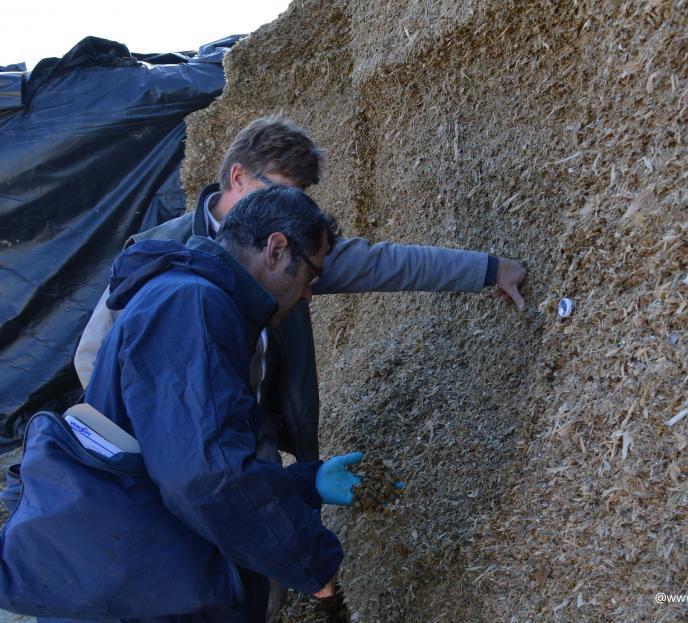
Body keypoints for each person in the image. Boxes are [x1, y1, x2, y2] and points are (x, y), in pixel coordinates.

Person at [73, 115, 527, 619]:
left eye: (304, 196)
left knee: (250, 577)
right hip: (173, 457)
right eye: (286, 192)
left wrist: (489, 269)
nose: (298, 208)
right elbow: (192, 464)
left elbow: (384, 263)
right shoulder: (177, 271)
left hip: (240, 440)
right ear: (240, 179)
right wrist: (153, 444)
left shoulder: (285, 250)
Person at [63, 186, 359, 623]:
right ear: (275, 250)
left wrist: (304, 482)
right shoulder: (194, 307)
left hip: (141, 573)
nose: (309, 295)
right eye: (310, 276)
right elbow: (205, 477)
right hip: (141, 594)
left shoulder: (188, 295)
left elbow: (188, 454)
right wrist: (309, 561)